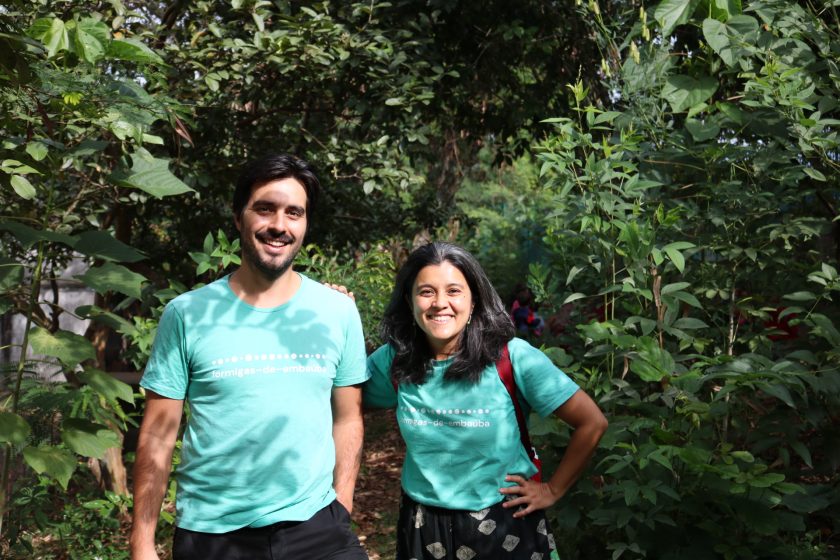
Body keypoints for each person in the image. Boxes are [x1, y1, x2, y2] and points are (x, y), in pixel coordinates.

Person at [130, 154, 369, 560]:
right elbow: (157, 434)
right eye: (265, 208)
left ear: (306, 224)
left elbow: (347, 417)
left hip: (318, 528)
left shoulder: (337, 311)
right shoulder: (187, 314)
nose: (279, 224)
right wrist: (142, 545)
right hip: (215, 535)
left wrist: (341, 506)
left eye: (294, 212)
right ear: (239, 218)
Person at [363, 242, 608, 560]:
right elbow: (337, 399)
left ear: (474, 299)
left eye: (454, 291)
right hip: (423, 523)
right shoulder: (394, 361)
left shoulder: (512, 357)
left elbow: (592, 423)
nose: (440, 303)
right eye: (426, 292)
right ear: (409, 300)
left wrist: (552, 489)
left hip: (504, 525)